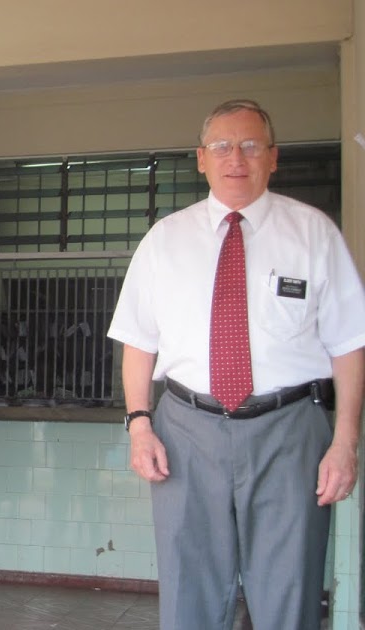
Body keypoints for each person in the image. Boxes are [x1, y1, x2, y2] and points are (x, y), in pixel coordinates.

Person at [108, 99, 365, 630]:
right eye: (223, 146)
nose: (236, 158)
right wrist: (139, 425)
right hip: (185, 429)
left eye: (251, 146)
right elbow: (138, 341)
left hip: (290, 430)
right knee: (188, 590)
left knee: (289, 591)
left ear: (273, 158)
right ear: (201, 158)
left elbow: (350, 343)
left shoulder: (313, 233)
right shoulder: (164, 240)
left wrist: (344, 443)